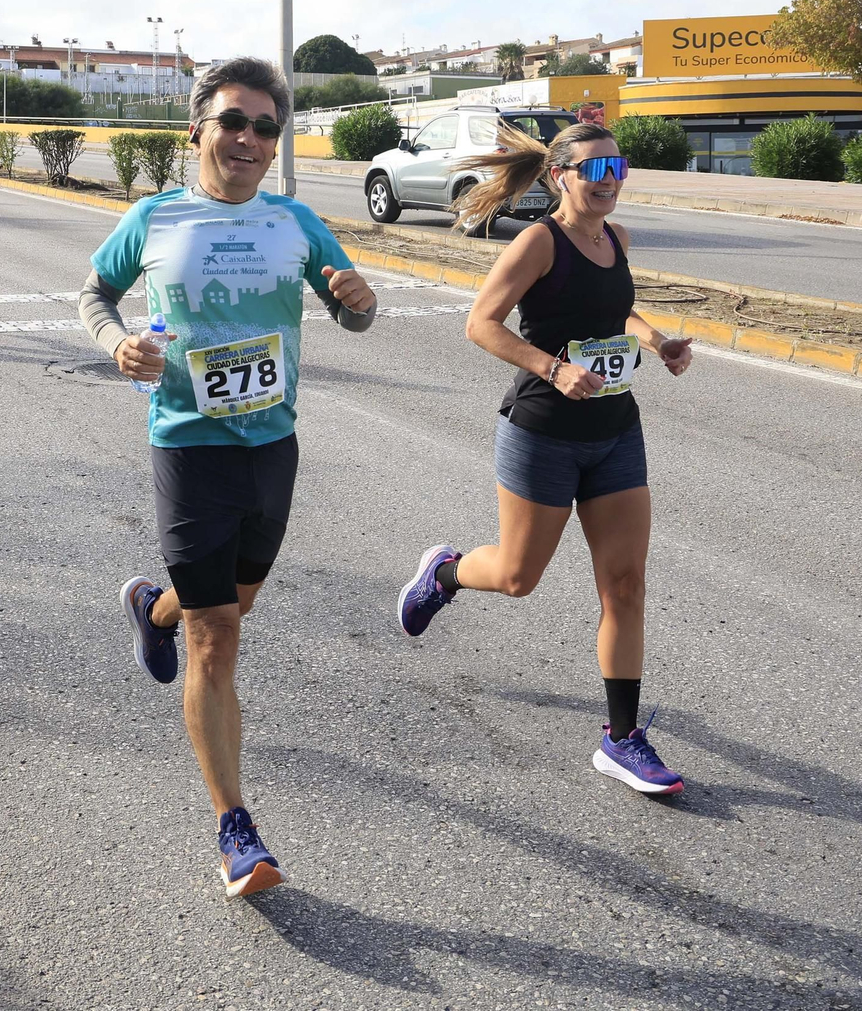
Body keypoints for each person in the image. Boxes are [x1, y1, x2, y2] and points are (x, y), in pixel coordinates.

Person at [78, 57, 377, 898]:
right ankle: (234, 826)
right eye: (233, 122)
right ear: (197, 130)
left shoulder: (297, 221)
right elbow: (94, 293)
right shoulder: (155, 216)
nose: (248, 139)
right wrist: (116, 345)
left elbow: (355, 312)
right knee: (220, 632)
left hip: (271, 446)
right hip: (188, 444)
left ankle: (151, 606)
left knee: (229, 604)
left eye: (264, 127)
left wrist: (357, 298)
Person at [396, 121, 696, 796]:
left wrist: (654, 339)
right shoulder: (539, 242)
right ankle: (445, 573)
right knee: (515, 575)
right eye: (594, 170)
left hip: (616, 428)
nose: (610, 180)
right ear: (561, 177)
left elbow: (614, 310)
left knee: (625, 584)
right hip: (543, 430)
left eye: (618, 166)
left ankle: (621, 739)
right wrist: (550, 368)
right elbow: (481, 321)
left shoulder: (615, 237)